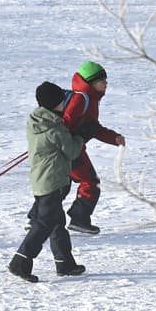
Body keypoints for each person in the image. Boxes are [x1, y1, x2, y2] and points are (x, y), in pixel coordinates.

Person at [9, 81, 91, 283]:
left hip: (41, 180)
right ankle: (20, 261)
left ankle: (65, 263)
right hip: (53, 182)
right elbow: (71, 151)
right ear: (56, 103)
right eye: (62, 100)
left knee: (56, 223)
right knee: (44, 223)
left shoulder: (37, 121)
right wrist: (81, 136)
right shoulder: (55, 129)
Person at [62, 61, 125, 235]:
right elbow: (64, 125)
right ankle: (79, 219)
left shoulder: (88, 99)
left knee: (60, 186)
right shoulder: (81, 99)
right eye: (102, 80)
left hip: (65, 149)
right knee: (90, 182)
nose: (106, 84)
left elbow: (93, 127)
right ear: (91, 82)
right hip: (70, 149)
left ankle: (38, 219)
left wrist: (114, 138)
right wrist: (73, 138)